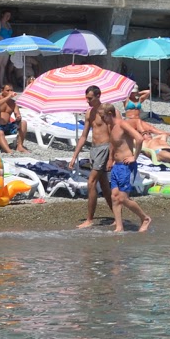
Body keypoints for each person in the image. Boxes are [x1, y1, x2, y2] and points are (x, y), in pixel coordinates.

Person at [69, 89, 115, 228]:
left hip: (105, 148)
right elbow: (84, 136)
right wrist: (74, 156)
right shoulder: (89, 112)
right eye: (86, 98)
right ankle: (117, 216)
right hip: (94, 149)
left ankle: (89, 220)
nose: (87, 101)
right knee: (105, 187)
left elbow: (113, 135)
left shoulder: (106, 112)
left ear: (98, 96)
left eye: (90, 98)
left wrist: (110, 158)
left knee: (91, 182)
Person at [106, 110, 153, 233]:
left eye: (102, 116)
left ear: (109, 114)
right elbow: (114, 145)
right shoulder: (112, 127)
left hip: (126, 166)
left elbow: (139, 138)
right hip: (117, 166)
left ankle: (145, 218)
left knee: (123, 198)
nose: (101, 119)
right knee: (114, 197)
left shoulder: (122, 124)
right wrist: (111, 159)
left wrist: (134, 157)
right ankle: (119, 227)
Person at [0, 83, 28, 154]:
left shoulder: (13, 103)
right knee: (0, 132)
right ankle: (9, 151)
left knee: (23, 123)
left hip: (6, 126)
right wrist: (8, 97)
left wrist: (18, 116)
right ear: (2, 91)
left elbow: (17, 113)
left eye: (11, 90)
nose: (10, 92)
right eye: (7, 90)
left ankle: (20, 146)